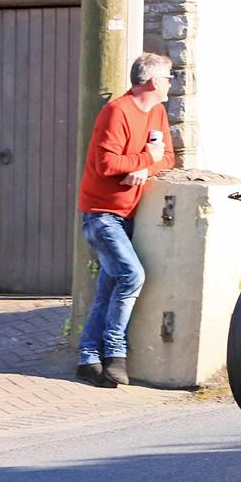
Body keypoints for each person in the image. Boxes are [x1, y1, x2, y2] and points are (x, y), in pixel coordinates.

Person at [75, 53, 175, 387]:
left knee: (108, 287)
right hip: (102, 215)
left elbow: (169, 158)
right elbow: (105, 163)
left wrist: (146, 168)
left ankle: (88, 357)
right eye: (168, 79)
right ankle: (115, 354)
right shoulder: (116, 111)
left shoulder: (157, 112)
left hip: (132, 215)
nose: (170, 85)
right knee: (131, 276)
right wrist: (147, 158)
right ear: (153, 82)